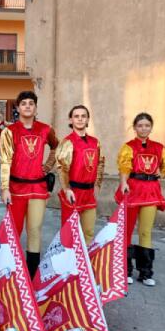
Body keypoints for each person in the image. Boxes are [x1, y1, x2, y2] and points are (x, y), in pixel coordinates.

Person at [0, 91, 58, 278]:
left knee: (34, 230)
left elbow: (56, 146)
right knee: (14, 230)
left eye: (31, 103)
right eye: (23, 103)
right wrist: (4, 188)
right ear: (18, 108)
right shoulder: (9, 132)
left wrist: (47, 166)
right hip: (16, 188)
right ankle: (11, 270)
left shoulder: (45, 129)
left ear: (35, 108)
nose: (27, 106)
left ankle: (32, 273)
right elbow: (5, 161)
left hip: (38, 187)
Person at [115, 112, 165, 286]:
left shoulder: (159, 147)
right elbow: (124, 167)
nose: (143, 128)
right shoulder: (128, 147)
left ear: (151, 127)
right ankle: (125, 270)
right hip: (133, 190)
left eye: (147, 125)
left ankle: (146, 273)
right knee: (127, 231)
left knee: (145, 232)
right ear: (135, 127)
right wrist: (123, 183)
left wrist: (162, 172)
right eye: (140, 125)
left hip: (151, 192)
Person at [56, 105, 104, 246]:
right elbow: (62, 168)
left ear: (88, 119)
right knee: (70, 233)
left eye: (83, 116)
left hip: (89, 193)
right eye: (76, 116)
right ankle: (69, 259)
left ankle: (85, 259)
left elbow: (100, 163)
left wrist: (97, 184)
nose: (80, 119)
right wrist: (66, 189)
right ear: (71, 120)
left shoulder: (95, 142)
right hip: (73, 192)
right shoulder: (67, 142)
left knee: (88, 231)